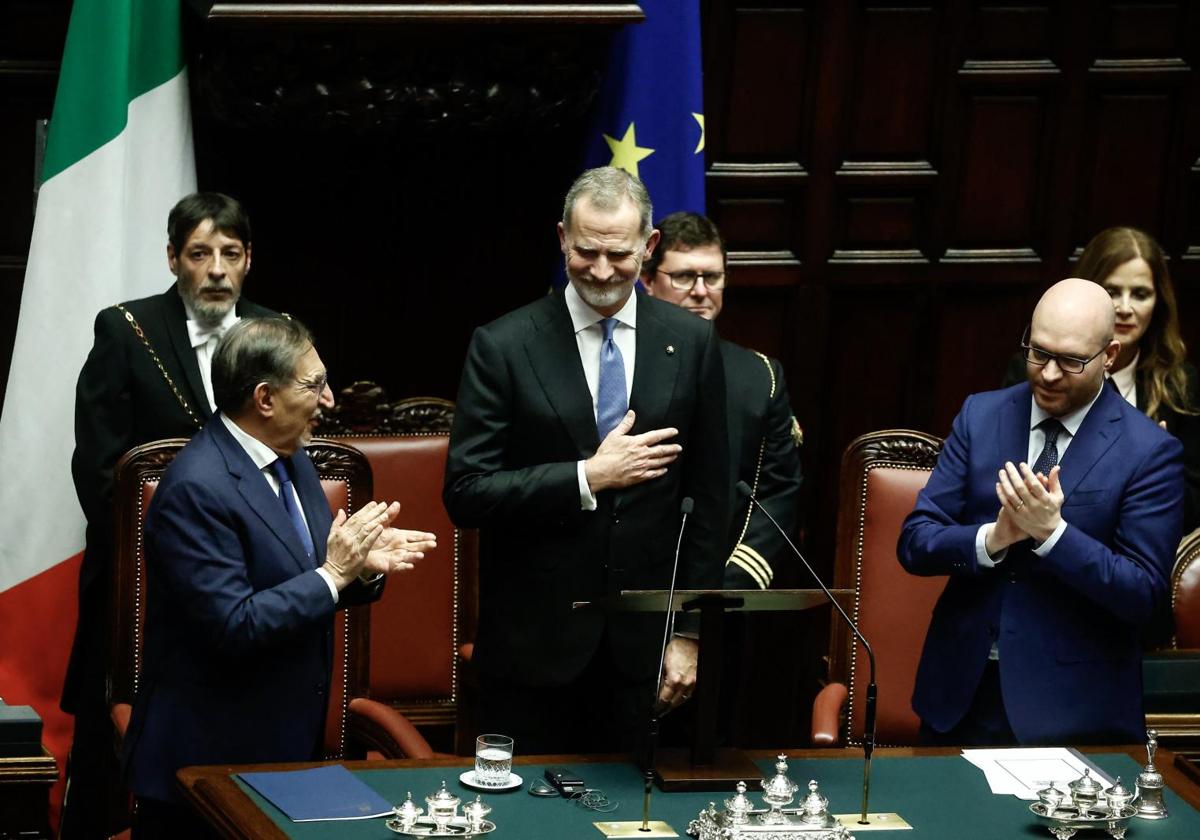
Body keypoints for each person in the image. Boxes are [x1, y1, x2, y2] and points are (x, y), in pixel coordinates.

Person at [443, 167, 730, 755]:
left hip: (646, 657)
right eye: (586, 252)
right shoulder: (503, 344)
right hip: (532, 654)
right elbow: (467, 491)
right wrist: (586, 477)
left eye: (619, 254)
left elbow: (710, 500)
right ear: (562, 240)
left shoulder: (690, 342)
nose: (601, 271)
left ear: (648, 247)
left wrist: (690, 633)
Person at [123, 317, 435, 837]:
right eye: (313, 386)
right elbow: (234, 625)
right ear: (265, 398)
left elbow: (302, 580)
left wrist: (357, 568)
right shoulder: (196, 490)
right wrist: (335, 573)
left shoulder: (292, 461)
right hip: (205, 771)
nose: (330, 399)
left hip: (284, 756)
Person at [61, 192, 277, 838]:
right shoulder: (125, 330)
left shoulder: (278, 331)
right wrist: (167, 547)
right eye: (199, 254)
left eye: (229, 254)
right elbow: (98, 467)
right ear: (173, 259)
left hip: (252, 575)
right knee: (116, 739)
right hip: (140, 571)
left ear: (247, 262)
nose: (215, 269)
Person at [902, 278, 1184, 746]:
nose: (1049, 374)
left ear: (1109, 356)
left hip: (1073, 709)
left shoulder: (1150, 452)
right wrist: (993, 538)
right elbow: (916, 541)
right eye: (1039, 353)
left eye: (1071, 361)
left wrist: (1052, 534)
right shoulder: (981, 415)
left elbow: (1144, 595)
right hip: (960, 698)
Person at [642, 211, 802, 588]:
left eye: (712, 277)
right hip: (626, 589)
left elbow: (777, 490)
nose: (700, 291)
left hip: (722, 589)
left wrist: (727, 584)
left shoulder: (759, 375)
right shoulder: (623, 364)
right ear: (647, 279)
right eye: (683, 276)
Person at [1004, 227, 1199, 532]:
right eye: (1111, 291)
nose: (1124, 308)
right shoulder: (1037, 371)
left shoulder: (1181, 385)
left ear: (1158, 302)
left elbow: (1192, 508)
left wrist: (1162, 464)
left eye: (1140, 294)